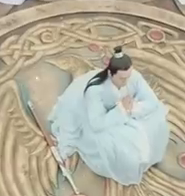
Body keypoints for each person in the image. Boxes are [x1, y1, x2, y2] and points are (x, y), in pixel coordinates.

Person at [46, 46, 170, 186]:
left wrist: (134, 107)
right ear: (111, 74)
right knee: (120, 150)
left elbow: (151, 101)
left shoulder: (133, 77)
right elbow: (97, 124)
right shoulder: (95, 91)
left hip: (129, 112)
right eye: (122, 78)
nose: (126, 81)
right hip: (105, 121)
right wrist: (121, 110)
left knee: (157, 123)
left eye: (128, 77)